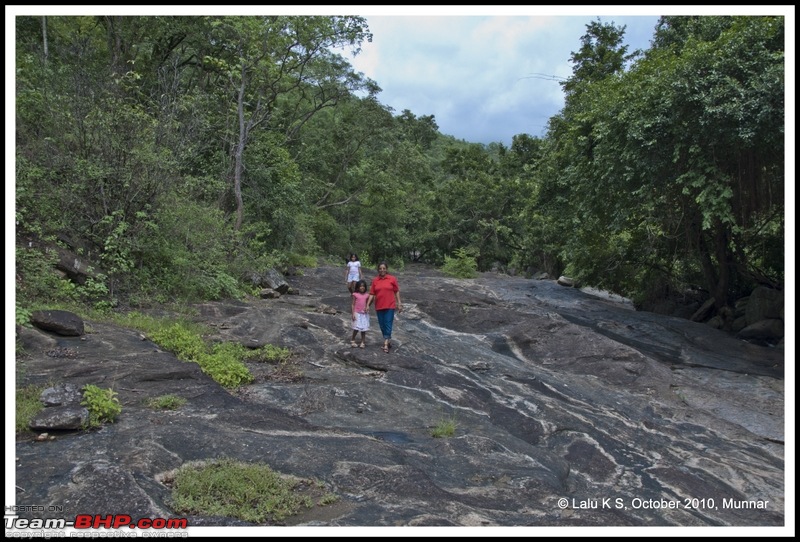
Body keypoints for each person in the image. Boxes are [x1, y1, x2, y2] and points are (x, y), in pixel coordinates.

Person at [367, 261, 402, 353]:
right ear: (378, 270)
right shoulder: (375, 280)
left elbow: (396, 291)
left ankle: (386, 343)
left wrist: (399, 303)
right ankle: (388, 339)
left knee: (388, 323)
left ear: (386, 269)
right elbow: (371, 293)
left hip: (390, 305)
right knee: (382, 325)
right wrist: (367, 305)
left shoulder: (392, 279)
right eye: (380, 268)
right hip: (379, 305)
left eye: (384, 268)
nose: (382, 270)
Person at [350, 280, 370, 348]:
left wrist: (367, 307)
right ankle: (353, 339)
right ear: (358, 287)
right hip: (357, 313)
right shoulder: (355, 294)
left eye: (363, 286)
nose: (362, 287)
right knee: (356, 328)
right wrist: (353, 314)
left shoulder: (367, 295)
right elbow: (353, 304)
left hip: (364, 314)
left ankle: (363, 342)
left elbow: (368, 303)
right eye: (361, 286)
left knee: (363, 329)